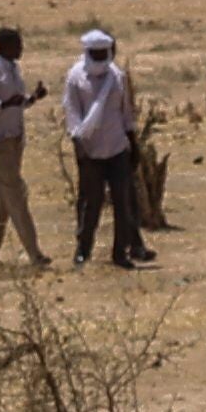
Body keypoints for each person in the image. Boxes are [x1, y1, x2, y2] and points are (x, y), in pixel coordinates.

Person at [58, 25, 149, 262]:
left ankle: (121, 253)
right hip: (90, 152)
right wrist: (80, 150)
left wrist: (133, 143)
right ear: (88, 52)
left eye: (103, 53)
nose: (100, 58)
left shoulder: (116, 77)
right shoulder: (75, 78)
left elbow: (126, 113)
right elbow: (72, 115)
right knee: (92, 203)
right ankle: (83, 251)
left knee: (122, 202)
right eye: (95, 54)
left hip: (117, 148)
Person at [0, 28, 48, 269]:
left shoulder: (14, 68)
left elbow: (17, 103)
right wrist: (2, 104)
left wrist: (32, 98)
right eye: (17, 44)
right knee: (16, 191)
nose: (21, 48)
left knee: (6, 196)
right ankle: (35, 254)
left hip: (15, 138)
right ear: (3, 45)